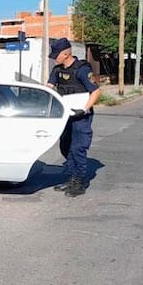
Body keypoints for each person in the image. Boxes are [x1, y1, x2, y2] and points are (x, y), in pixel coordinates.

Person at [46, 38, 101, 197]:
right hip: (65, 115)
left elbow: (96, 92)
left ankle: (79, 181)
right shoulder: (57, 70)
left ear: (65, 54)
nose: (54, 58)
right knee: (66, 147)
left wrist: (84, 110)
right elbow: (48, 88)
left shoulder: (82, 70)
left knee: (78, 148)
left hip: (81, 116)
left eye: (56, 55)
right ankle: (71, 178)